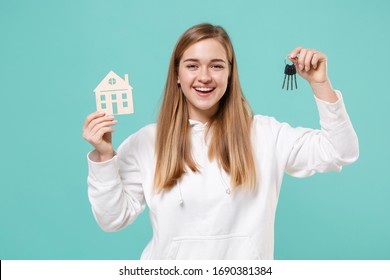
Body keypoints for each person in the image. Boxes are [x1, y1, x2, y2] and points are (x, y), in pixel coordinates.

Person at [82, 23, 359, 260]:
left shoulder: (266, 134)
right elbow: (111, 219)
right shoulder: (147, 142)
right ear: (177, 75)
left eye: (216, 66)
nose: (204, 77)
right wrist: (105, 157)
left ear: (229, 73)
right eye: (192, 66)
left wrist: (320, 84)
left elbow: (340, 152)